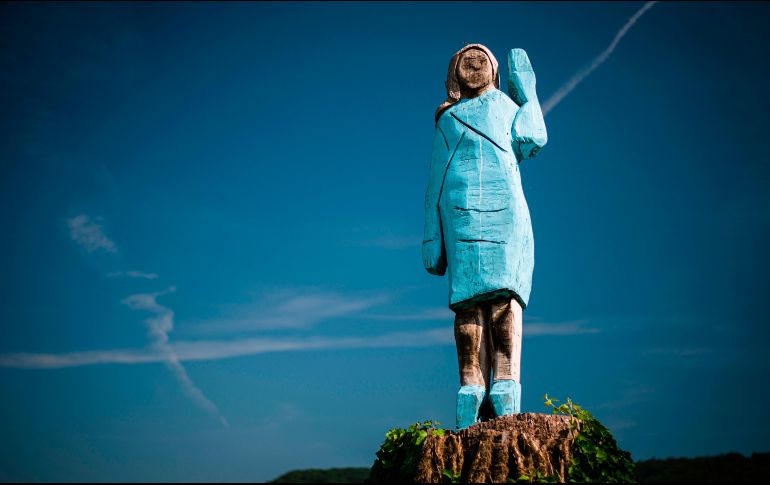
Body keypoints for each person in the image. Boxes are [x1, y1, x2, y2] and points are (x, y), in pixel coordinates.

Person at [422, 44, 547, 429]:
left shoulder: (506, 108)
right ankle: (470, 385)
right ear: (454, 71)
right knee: (467, 305)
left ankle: (505, 381)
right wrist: (432, 237)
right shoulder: (448, 120)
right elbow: (435, 181)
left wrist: (526, 92)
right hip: (459, 216)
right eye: (466, 60)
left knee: (503, 300)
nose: (473, 65)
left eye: (481, 60)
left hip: (504, 211)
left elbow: (534, 139)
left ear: (491, 69)